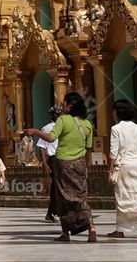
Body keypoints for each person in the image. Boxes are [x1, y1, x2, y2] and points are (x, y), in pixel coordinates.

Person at [25, 91, 97, 242]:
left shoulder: (63, 120)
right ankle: (91, 226)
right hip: (80, 163)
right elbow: (89, 148)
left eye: (64, 103)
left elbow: (51, 138)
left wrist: (36, 131)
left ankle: (65, 233)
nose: (62, 106)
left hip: (63, 163)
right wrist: (86, 167)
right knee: (80, 197)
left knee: (62, 197)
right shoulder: (87, 124)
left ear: (70, 106)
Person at [107, 99, 137, 239]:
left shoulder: (116, 129)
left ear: (118, 112)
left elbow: (113, 153)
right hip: (135, 166)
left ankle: (120, 229)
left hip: (122, 166)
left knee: (121, 197)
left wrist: (111, 171)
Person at [37, 105, 61, 222]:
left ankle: (53, 211)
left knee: (59, 187)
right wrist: (44, 163)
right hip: (53, 158)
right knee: (56, 187)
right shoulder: (46, 128)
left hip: (63, 158)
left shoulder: (63, 125)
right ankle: (52, 212)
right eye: (56, 114)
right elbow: (42, 147)